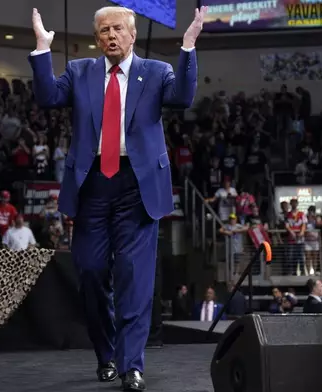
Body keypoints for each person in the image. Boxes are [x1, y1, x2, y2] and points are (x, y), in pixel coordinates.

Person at [29, 5, 207, 391]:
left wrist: (188, 46)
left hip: (137, 188)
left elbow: (182, 98)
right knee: (91, 273)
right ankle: (106, 354)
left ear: (130, 33)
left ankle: (132, 365)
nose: (110, 35)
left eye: (117, 29)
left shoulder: (157, 72)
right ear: (97, 38)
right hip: (92, 185)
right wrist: (43, 49)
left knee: (133, 276)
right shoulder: (80, 72)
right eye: (103, 30)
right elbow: (46, 98)